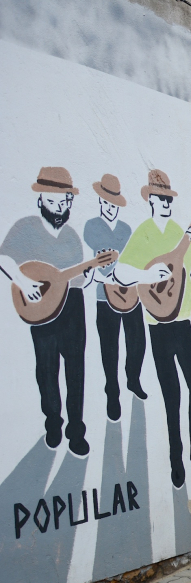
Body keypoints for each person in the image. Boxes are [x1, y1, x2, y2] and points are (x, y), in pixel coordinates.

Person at [113, 170, 191, 487]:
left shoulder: (178, 233)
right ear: (150, 200)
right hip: (158, 327)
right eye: (161, 198)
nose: (167, 203)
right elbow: (120, 272)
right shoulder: (143, 234)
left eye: (170, 198)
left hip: (183, 324)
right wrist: (147, 276)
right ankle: (176, 461)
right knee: (172, 396)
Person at [0, 167, 95, 456]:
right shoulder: (25, 228)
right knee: (46, 372)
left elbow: (77, 280)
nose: (59, 208)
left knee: (76, 371)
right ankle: (53, 423)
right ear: (40, 199)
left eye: (64, 202)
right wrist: (23, 280)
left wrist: (91, 273)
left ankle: (76, 431)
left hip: (72, 309)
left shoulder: (72, 237)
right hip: (41, 312)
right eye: (53, 202)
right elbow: (4, 257)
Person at [83, 173, 148, 422]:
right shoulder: (91, 227)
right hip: (104, 299)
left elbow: (131, 261)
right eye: (107, 204)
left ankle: (133, 378)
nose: (111, 209)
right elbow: (93, 269)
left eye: (114, 205)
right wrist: (107, 278)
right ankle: (112, 391)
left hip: (131, 296)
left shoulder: (126, 229)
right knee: (109, 350)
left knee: (138, 342)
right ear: (101, 202)